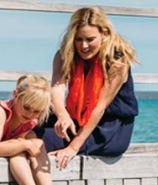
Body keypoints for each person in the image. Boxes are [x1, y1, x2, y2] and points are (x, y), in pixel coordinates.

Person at [38, 6, 139, 169]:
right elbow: (57, 86)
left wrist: (72, 148)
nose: (83, 46)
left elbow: (100, 107)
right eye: (78, 39)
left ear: (104, 34)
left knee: (38, 140)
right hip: (77, 116)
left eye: (90, 39)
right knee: (31, 120)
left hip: (109, 127)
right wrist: (62, 115)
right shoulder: (64, 55)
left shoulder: (117, 61)